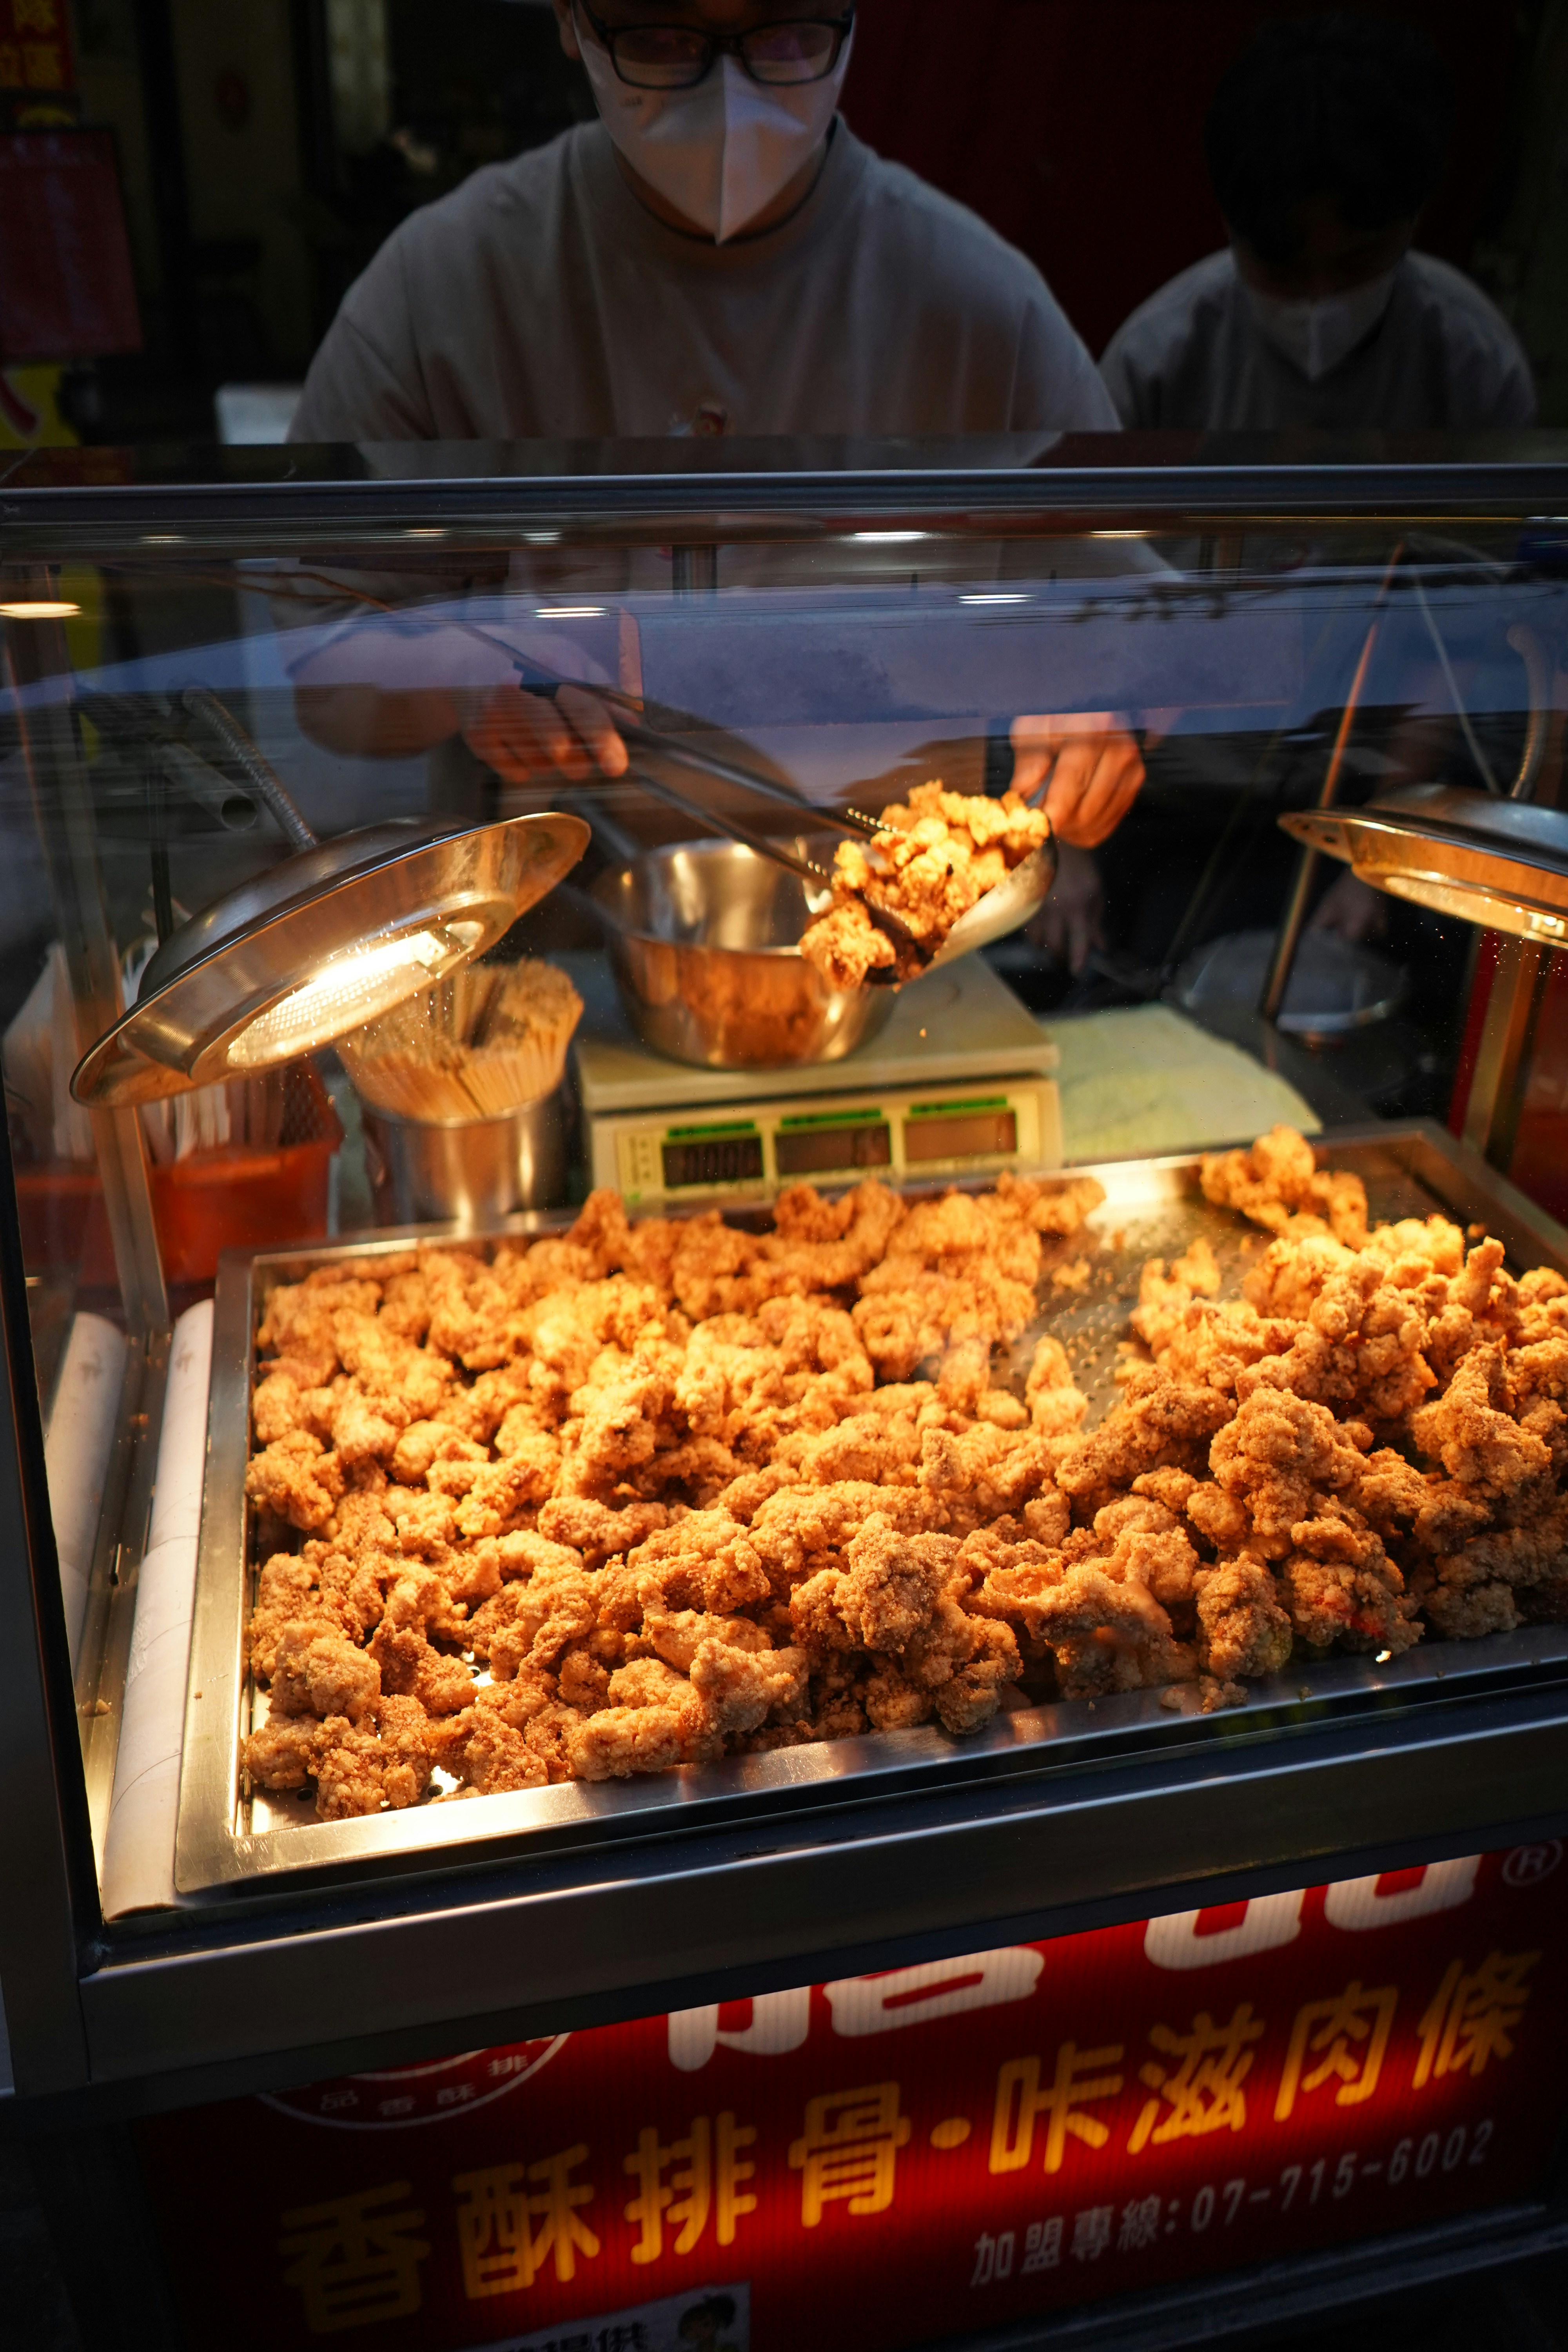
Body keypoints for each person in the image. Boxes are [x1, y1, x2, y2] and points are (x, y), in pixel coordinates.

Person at [286, 0, 1149, 881]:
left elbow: (1162, 619)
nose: (729, 95)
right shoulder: (447, 291)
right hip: (569, 936)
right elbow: (315, 657)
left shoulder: (977, 308)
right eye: (662, 39)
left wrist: (1101, 704)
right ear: (569, 19)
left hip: (899, 934)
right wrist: (462, 667)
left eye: (786, 39)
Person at [1100, 15, 1536, 436]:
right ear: (1228, 226)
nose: (1320, 302)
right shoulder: (1154, 363)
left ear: (1411, 221)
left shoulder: (1476, 365)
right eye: (1281, 272)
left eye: (1355, 265)